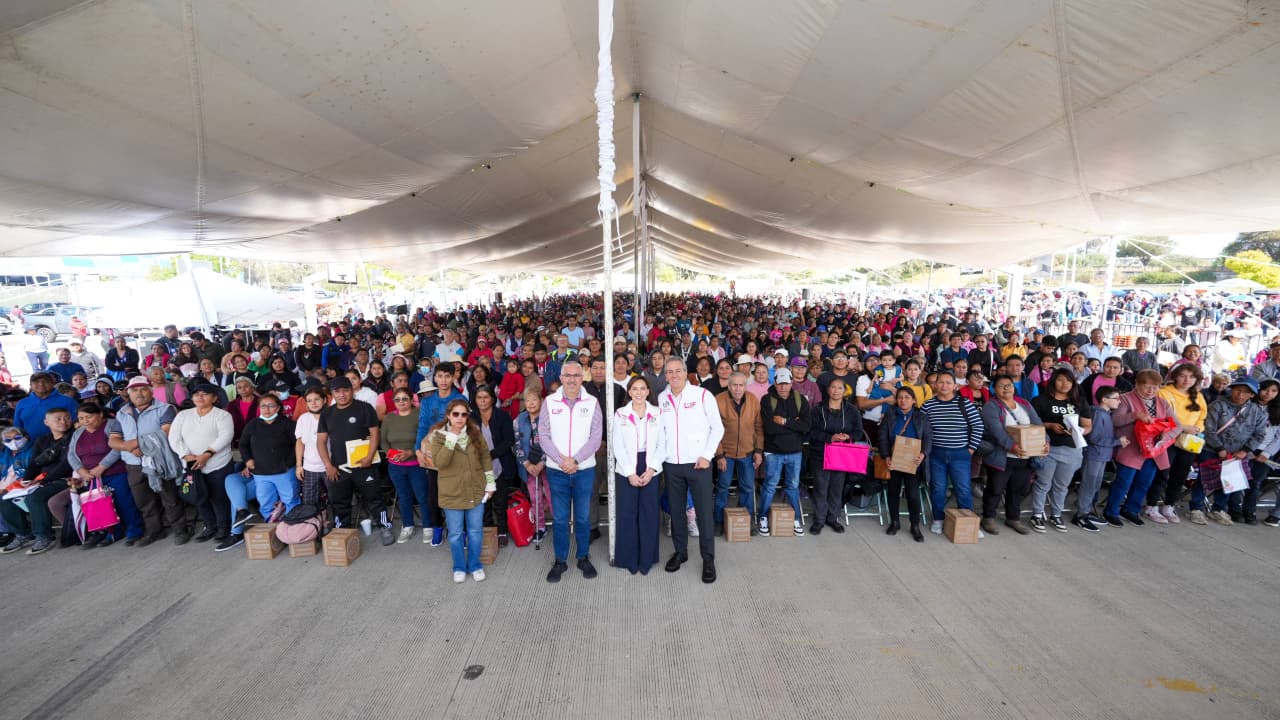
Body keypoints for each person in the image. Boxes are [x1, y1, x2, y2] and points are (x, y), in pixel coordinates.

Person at [658, 356, 724, 583]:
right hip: (672, 465)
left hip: (699, 464)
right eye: (669, 372)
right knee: (676, 512)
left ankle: (708, 559)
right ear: (665, 375)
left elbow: (717, 428)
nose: (673, 375)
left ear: (686, 373)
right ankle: (681, 552)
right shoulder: (662, 397)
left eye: (678, 371)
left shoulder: (702, 395)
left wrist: (707, 456)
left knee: (704, 513)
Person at [538, 360, 602, 582]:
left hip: (583, 470)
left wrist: (575, 460)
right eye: (568, 375)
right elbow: (543, 435)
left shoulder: (592, 402)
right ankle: (560, 561)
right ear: (561, 378)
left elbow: (596, 438)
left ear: (581, 378)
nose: (572, 379)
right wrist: (561, 460)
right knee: (560, 519)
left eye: (576, 375)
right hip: (557, 471)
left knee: (583, 518)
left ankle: (583, 557)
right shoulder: (549, 402)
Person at [108, 375, 185, 545]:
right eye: (134, 390)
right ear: (129, 393)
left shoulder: (165, 408)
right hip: (133, 463)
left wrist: (137, 444)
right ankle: (154, 531)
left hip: (160, 459)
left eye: (143, 389)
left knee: (169, 497)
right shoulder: (122, 413)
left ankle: (180, 529)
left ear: (151, 392)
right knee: (143, 500)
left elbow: (166, 432)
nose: (139, 393)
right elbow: (113, 441)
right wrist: (128, 447)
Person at [317, 376, 393, 544]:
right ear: (332, 393)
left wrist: (368, 457)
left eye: (346, 390)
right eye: (337, 391)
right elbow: (321, 441)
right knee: (339, 503)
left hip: (365, 464)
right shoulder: (327, 413)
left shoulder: (365, 408)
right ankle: (342, 532)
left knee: (375, 498)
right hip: (339, 468)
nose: (342, 395)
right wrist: (328, 465)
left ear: (352, 391)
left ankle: (384, 526)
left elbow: (375, 434)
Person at [427, 398, 495, 583]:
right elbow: (440, 463)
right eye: (455, 414)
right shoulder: (438, 435)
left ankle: (475, 565)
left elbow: (486, 459)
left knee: (475, 531)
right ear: (448, 415)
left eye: (463, 414)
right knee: (456, 534)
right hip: (452, 492)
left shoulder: (475, 433)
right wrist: (452, 438)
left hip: (475, 488)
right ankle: (458, 566)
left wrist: (490, 484)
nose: (459, 418)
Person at [168, 383, 237, 550]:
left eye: (205, 394)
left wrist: (207, 454)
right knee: (198, 496)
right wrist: (186, 455)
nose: (200, 397)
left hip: (217, 463)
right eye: (196, 394)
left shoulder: (222, 415)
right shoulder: (183, 415)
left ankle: (223, 527)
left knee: (218, 497)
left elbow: (225, 436)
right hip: (192, 464)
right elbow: (174, 437)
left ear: (214, 398)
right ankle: (209, 526)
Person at [68, 402, 145, 547]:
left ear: (100, 414)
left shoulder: (111, 425)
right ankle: (113, 532)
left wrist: (102, 466)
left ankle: (134, 531)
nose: (85, 421)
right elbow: (71, 455)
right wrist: (82, 471)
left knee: (124, 502)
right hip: (92, 476)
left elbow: (117, 447)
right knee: (104, 506)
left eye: (89, 417)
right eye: (81, 418)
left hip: (115, 471)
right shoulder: (78, 433)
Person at [1191, 377, 1266, 525]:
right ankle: (1196, 508)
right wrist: (1219, 448)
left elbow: (1259, 434)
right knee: (1204, 480)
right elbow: (1209, 428)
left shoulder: (1257, 411)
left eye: (1246, 392)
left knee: (1228, 481)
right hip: (1211, 449)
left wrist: (1245, 451)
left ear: (1252, 395)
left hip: (1238, 453)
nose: (1240, 395)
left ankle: (1218, 509)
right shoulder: (1218, 405)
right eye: (1238, 390)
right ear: (1232, 389)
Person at [978, 375, 1046, 536]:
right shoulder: (991, 407)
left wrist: (1045, 441)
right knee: (995, 488)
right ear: (995, 389)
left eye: (1009, 385)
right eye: (1001, 386)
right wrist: (1013, 447)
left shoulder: (1024, 403)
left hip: (1025, 456)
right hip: (1001, 456)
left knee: (1018, 489)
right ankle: (988, 517)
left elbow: (1038, 424)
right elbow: (997, 432)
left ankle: (1013, 518)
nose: (1006, 388)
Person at [0, 409, 74, 554]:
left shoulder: (73, 437)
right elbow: (34, 464)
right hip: (41, 480)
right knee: (5, 498)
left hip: (64, 478)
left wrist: (43, 481)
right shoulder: (43, 440)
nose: (63, 422)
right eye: (58, 419)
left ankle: (44, 536)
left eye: (66, 418)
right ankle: (23, 534)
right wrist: (27, 481)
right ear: (47, 422)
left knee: (35, 497)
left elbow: (66, 464)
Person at [611, 375, 664, 574]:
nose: (639, 392)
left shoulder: (657, 413)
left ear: (648, 391)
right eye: (635, 389)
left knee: (649, 513)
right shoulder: (620, 414)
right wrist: (630, 473)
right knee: (627, 513)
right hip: (627, 467)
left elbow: (662, 444)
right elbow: (617, 445)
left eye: (643, 389)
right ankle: (628, 559)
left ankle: (647, 559)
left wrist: (652, 469)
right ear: (629, 392)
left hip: (650, 465)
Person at [1028, 368, 1091, 533]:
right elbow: (1031, 424)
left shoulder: (1079, 401)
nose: (1065, 384)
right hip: (1048, 447)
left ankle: (1056, 514)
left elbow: (1088, 426)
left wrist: (1077, 431)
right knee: (1043, 483)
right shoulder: (1040, 400)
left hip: (1072, 449)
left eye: (1069, 381)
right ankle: (1037, 514)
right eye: (1061, 380)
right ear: (1053, 381)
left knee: (1062, 485)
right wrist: (1049, 425)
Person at [920, 372, 983, 534]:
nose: (944, 386)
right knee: (938, 488)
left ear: (955, 386)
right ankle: (938, 519)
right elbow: (921, 429)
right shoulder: (928, 405)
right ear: (935, 385)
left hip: (960, 454)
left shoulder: (965, 404)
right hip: (936, 454)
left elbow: (978, 426)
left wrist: (970, 449)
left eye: (948, 383)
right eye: (941, 382)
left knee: (963, 488)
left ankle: (968, 522)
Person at [1146, 363, 1206, 524]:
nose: (1187, 380)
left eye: (1192, 376)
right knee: (1162, 474)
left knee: (1180, 475)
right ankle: (1151, 505)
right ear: (1175, 376)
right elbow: (1160, 417)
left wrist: (1197, 428)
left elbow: (1202, 416)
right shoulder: (1164, 393)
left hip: (1188, 441)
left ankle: (1169, 505)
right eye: (1183, 375)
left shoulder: (1198, 396)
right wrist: (1184, 427)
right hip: (1167, 439)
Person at [759, 367, 811, 537]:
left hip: (795, 451)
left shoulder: (800, 399)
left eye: (786, 384)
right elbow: (770, 428)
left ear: (791, 383)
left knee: (793, 486)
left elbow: (806, 426)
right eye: (780, 383)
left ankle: (795, 518)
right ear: (775, 382)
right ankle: (763, 517)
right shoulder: (767, 400)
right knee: (770, 486)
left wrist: (785, 421)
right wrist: (794, 425)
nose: (783, 387)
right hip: (773, 451)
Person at [415, 364, 464, 546]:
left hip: (455, 452)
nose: (443, 380)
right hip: (432, 454)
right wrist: (418, 450)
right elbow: (421, 426)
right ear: (434, 378)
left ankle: (459, 529)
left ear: (453, 378)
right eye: (440, 376)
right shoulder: (428, 402)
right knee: (433, 495)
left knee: (457, 493)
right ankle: (437, 527)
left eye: (447, 376)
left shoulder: (459, 398)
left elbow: (463, 427)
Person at [808, 377, 864, 534]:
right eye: (833, 387)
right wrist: (829, 438)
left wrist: (848, 437)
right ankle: (819, 520)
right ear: (828, 390)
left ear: (844, 391)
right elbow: (811, 432)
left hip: (842, 454)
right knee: (821, 487)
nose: (836, 391)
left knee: (836, 488)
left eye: (840, 388)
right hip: (821, 453)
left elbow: (859, 432)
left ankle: (832, 518)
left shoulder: (852, 410)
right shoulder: (818, 409)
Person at [238, 394, 299, 529]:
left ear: (278, 408)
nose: (267, 409)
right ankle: (272, 529)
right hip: (261, 473)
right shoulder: (253, 425)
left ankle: (290, 529)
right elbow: (243, 444)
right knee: (265, 503)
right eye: (263, 406)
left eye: (271, 406)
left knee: (290, 501)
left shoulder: (287, 424)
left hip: (284, 472)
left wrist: (288, 463)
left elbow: (298, 445)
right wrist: (247, 459)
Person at [713, 372, 762, 536]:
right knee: (723, 487)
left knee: (748, 487)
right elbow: (713, 429)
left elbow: (759, 428)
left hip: (747, 453)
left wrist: (759, 451)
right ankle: (719, 521)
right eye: (734, 385)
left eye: (741, 385)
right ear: (729, 385)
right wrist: (719, 455)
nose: (738, 388)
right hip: (726, 454)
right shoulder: (719, 400)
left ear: (745, 386)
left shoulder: (753, 400)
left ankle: (745, 520)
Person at [879, 387, 928, 541]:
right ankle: (895, 522)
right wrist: (886, 455)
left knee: (913, 494)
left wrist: (923, 454)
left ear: (913, 400)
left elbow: (928, 438)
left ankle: (915, 525)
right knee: (893, 492)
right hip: (894, 459)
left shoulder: (921, 417)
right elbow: (882, 437)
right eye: (900, 397)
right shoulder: (890, 415)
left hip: (913, 460)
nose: (903, 400)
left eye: (907, 397)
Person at [381, 387, 428, 543]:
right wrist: (390, 454)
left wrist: (410, 453)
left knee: (422, 495)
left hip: (416, 463)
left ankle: (428, 526)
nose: (401, 402)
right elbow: (383, 441)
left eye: (404, 399)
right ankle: (408, 525)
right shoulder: (388, 418)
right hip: (395, 466)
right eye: (397, 399)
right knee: (403, 496)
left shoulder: (419, 415)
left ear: (411, 399)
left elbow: (425, 439)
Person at [471, 385, 517, 546]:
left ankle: (502, 531)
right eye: (479, 397)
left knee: (500, 500)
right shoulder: (471, 417)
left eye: (485, 397)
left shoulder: (502, 416)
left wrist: (490, 455)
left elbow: (509, 440)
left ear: (492, 398)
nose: (482, 400)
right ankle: (488, 532)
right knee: (484, 501)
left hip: (499, 463)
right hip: (478, 466)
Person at [1076, 386, 1125, 531]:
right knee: (1088, 485)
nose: (1119, 401)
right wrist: (1117, 441)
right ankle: (1081, 514)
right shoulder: (1098, 414)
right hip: (1094, 455)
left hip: (1102, 455)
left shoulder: (1106, 414)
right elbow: (1094, 438)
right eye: (1116, 398)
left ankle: (1087, 511)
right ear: (1104, 400)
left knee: (1095, 485)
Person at [513, 389, 550, 542]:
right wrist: (527, 464)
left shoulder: (548, 419)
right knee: (535, 498)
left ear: (541, 401)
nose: (531, 403)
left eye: (534, 400)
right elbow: (516, 444)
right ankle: (540, 527)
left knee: (552, 495)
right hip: (528, 465)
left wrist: (542, 463)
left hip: (548, 464)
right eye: (527, 400)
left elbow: (553, 443)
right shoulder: (519, 420)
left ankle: (561, 525)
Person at [1244, 379, 1280, 524]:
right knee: (1238, 478)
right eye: (1266, 389)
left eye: (1273, 391)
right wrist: (1245, 449)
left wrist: (1266, 453)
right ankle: (1231, 509)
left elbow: (1278, 438)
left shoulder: (1277, 411)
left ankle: (1249, 511)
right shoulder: (1247, 404)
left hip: (1264, 452)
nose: (1268, 394)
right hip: (1243, 447)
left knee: (1256, 481)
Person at [293, 386, 330, 508]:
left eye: (317, 399)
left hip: (331, 466)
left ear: (324, 400)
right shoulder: (303, 419)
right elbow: (300, 442)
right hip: (310, 467)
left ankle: (338, 525)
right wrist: (299, 465)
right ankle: (314, 526)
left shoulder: (333, 416)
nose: (313, 403)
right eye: (309, 400)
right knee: (309, 502)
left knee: (337, 499)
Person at [13, 372, 78, 440]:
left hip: (62, 443)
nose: (41, 384)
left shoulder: (67, 401)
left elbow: (76, 422)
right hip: (30, 445)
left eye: (46, 381)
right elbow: (17, 427)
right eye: (36, 381)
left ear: (53, 383)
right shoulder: (22, 403)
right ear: (31, 385)